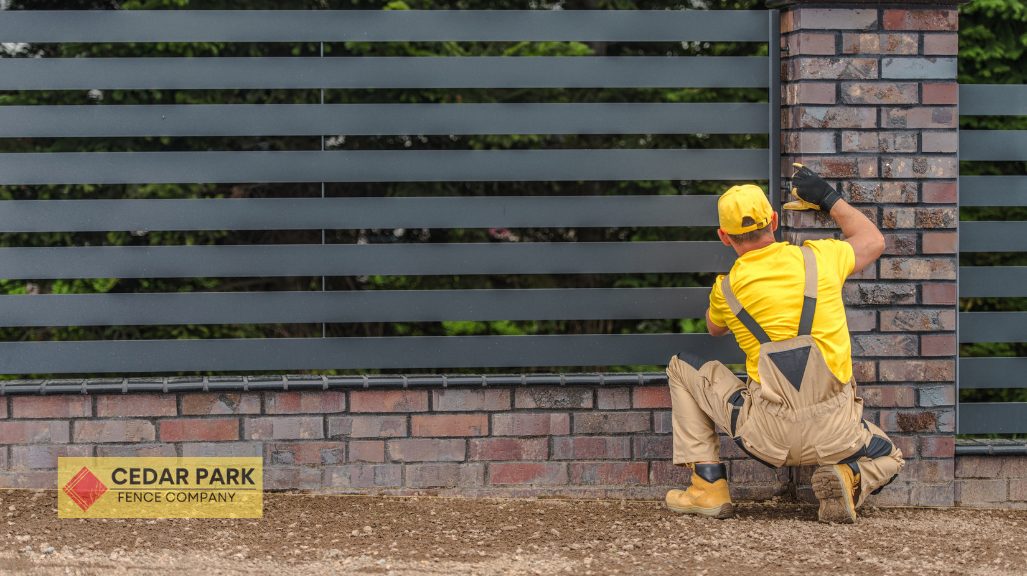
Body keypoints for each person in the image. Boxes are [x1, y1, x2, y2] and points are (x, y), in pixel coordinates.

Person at [664, 165, 904, 523]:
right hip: (836, 434)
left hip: (766, 436)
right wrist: (827, 199)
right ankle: (849, 475)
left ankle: (708, 486)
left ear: (724, 236)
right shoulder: (820, 259)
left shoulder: (726, 289)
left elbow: (714, 329)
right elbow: (873, 241)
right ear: (774, 220)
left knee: (681, 366)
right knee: (890, 457)